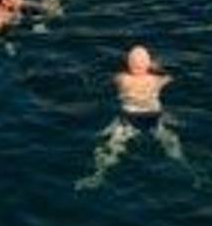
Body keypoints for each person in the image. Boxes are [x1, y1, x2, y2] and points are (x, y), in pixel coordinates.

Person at [76, 46, 188, 190]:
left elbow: (108, 79)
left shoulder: (122, 78)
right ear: (149, 64)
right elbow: (171, 77)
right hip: (153, 116)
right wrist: (157, 68)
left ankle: (98, 175)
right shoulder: (156, 80)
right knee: (171, 142)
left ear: (128, 65)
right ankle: (190, 171)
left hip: (130, 117)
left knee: (109, 147)